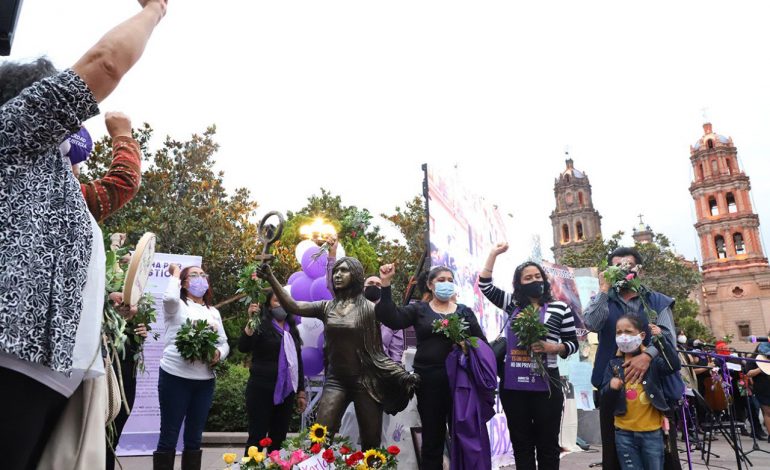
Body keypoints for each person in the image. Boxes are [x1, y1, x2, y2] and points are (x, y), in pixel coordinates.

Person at [0, 0, 167, 461]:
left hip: (48, 373)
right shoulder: (10, 133)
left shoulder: (60, 187)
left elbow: (118, 187)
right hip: (13, 359)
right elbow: (106, 62)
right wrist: (155, 11)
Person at [257, 258, 418, 452]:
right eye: (336, 271)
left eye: (344, 271)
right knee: (319, 439)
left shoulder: (370, 308)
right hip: (336, 381)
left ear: (356, 275)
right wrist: (271, 277)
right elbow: (293, 306)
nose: (338, 275)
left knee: (371, 444)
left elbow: (391, 316)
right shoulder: (327, 307)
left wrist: (385, 284)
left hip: (365, 382)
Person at [375, 264, 488, 470]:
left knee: (463, 438)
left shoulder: (464, 312)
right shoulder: (420, 310)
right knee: (432, 440)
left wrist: (467, 346)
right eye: (441, 280)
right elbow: (391, 318)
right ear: (430, 284)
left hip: (460, 385)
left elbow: (482, 345)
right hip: (429, 383)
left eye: (449, 279)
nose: (446, 284)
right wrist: (386, 283)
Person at [479, 243, 579, 470]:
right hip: (514, 385)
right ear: (519, 284)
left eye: (537, 276)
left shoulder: (560, 308)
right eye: (528, 278)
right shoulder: (513, 304)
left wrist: (554, 348)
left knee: (548, 444)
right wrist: (493, 254)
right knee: (521, 444)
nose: (534, 281)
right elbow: (485, 286)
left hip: (548, 384)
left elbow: (572, 344)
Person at [583, 247, 676, 470]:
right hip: (614, 385)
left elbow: (667, 338)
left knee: (661, 453)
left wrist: (647, 355)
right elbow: (591, 324)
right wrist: (604, 289)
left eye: (628, 266)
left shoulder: (656, 301)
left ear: (638, 270)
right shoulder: (604, 300)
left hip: (655, 384)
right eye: (617, 266)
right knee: (615, 452)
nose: (623, 271)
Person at [155, 264, 229, 470]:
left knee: (194, 438)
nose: (200, 278)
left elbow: (224, 342)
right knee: (169, 435)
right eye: (194, 275)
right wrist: (175, 274)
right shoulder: (177, 305)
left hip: (204, 382)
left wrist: (218, 353)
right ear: (184, 283)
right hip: (174, 377)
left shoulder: (213, 312)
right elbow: (169, 298)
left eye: (203, 275)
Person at [602, 314, 681, 470]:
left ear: (641, 335)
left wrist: (661, 339)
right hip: (624, 434)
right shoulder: (614, 365)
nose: (623, 336)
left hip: (651, 433)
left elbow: (673, 365)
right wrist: (611, 387)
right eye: (619, 332)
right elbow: (604, 397)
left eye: (628, 332)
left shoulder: (652, 363)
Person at [238, 290, 307, 454]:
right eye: (277, 301)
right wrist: (250, 321)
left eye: (284, 301)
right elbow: (243, 347)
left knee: (279, 438)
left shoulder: (292, 330)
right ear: (269, 305)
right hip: (262, 388)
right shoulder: (260, 324)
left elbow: (297, 361)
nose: (281, 304)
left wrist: (301, 392)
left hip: (286, 391)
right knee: (257, 437)